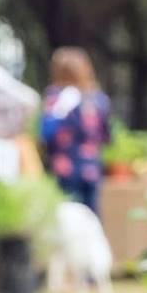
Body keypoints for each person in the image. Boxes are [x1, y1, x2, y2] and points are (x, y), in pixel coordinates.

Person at [39, 47, 111, 212]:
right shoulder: (98, 99)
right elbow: (106, 136)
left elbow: (46, 133)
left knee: (67, 218)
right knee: (91, 219)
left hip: (64, 171)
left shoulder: (55, 97)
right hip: (90, 169)